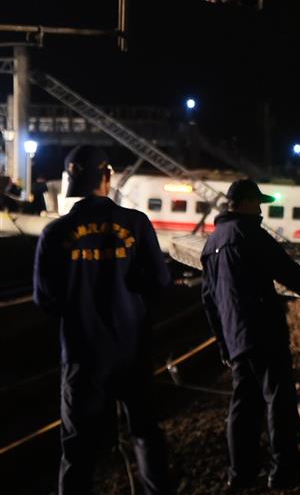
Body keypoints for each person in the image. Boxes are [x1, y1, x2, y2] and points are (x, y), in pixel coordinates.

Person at [33, 145, 173, 495]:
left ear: (72, 180)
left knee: (78, 449)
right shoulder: (137, 224)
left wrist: (81, 313)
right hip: (132, 351)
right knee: (145, 434)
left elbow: (45, 299)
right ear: (106, 176)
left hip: (83, 354)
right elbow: (160, 284)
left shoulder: (54, 234)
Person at [201, 178, 300, 491]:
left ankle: (240, 473)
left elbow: (209, 300)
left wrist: (224, 345)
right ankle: (283, 469)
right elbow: (289, 272)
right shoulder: (249, 234)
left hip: (237, 338)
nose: (260, 210)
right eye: (257, 203)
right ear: (243, 202)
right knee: (278, 400)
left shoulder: (211, 243)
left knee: (243, 406)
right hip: (264, 332)